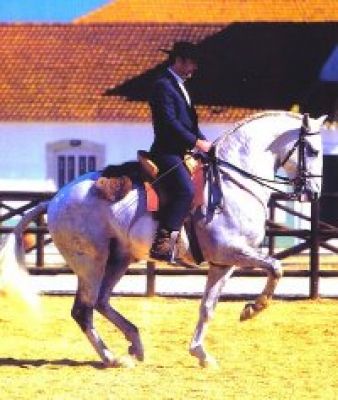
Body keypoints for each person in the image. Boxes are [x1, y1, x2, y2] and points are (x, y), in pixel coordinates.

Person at [148, 41, 212, 262]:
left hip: (183, 150)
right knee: (185, 190)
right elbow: (170, 123)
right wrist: (196, 142)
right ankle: (163, 241)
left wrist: (204, 142)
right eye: (192, 64)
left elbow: (189, 124)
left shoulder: (181, 86)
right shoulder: (163, 85)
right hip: (167, 151)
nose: (194, 69)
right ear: (179, 61)